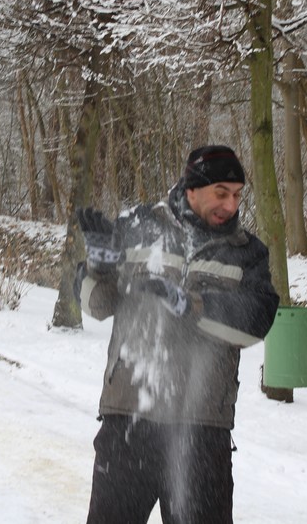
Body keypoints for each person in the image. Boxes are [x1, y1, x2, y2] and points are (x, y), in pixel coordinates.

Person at [75, 144, 280, 524]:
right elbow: (96, 305)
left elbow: (255, 322)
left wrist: (191, 305)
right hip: (128, 422)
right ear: (192, 189)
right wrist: (98, 268)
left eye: (237, 195)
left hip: (201, 432)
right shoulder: (137, 228)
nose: (231, 205)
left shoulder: (247, 253)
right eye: (221, 193)